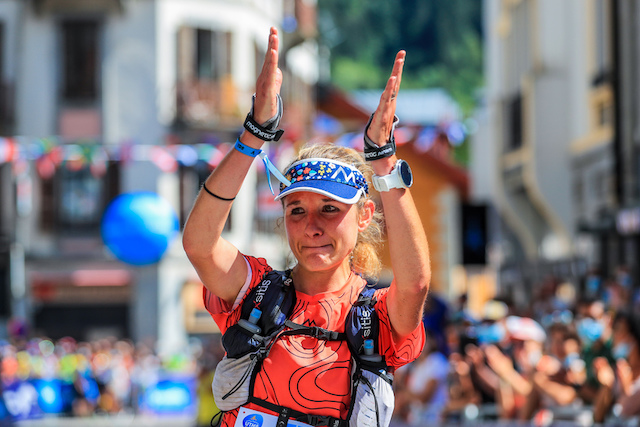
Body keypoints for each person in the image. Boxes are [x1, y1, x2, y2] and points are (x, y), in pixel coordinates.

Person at [182, 27, 431, 427]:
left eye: (330, 209)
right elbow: (199, 244)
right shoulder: (257, 293)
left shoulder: (375, 315)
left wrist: (383, 162)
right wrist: (254, 135)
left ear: (364, 215)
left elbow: (416, 285)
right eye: (296, 211)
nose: (311, 227)